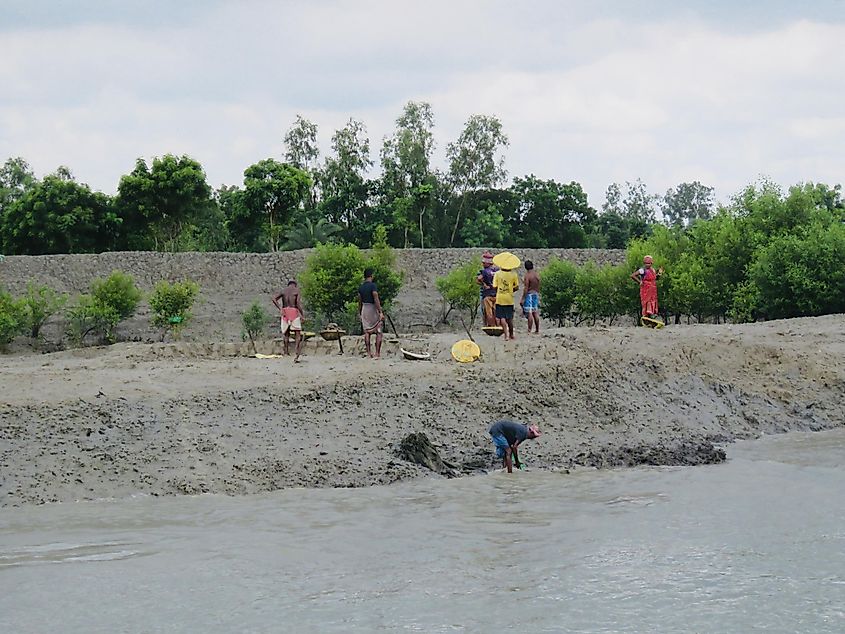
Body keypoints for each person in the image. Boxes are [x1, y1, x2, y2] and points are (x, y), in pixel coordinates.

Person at [272, 280, 305, 362]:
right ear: (295, 285)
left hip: (285, 311)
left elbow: (273, 298)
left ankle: (286, 352)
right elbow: (297, 303)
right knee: (297, 333)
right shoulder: (297, 291)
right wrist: (302, 314)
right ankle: (296, 351)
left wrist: (280, 308)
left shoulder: (284, 290)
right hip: (294, 311)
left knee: (286, 333)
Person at [358, 268, 384, 359]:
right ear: (371, 276)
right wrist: (380, 311)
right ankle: (377, 353)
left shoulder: (361, 287)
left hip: (365, 309)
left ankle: (369, 353)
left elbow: (360, 301)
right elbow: (375, 298)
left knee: (367, 332)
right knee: (379, 331)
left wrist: (360, 312)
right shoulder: (373, 286)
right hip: (372, 309)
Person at [492, 255, 520, 340]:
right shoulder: (514, 274)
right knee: (510, 318)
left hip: (500, 298)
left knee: (502, 317)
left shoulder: (497, 274)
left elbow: (494, 286)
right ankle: (512, 334)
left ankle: (506, 335)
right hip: (509, 299)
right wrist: (510, 290)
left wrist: (500, 291)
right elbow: (517, 287)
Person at [630, 255, 664, 320]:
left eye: (649, 263)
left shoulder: (653, 270)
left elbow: (655, 278)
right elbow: (633, 275)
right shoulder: (642, 270)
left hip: (653, 289)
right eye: (646, 263)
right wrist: (639, 282)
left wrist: (659, 274)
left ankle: (652, 315)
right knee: (646, 301)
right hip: (645, 289)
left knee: (653, 300)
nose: (647, 265)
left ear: (651, 263)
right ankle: (646, 316)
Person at [476, 251, 499, 327]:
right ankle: (497, 325)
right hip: (496, 293)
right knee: (496, 311)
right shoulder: (496, 270)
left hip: (487, 294)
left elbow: (478, 280)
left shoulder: (484, 272)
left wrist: (484, 284)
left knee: (488, 311)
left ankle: (490, 326)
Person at [520, 260, 541, 334]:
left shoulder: (527, 276)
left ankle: (529, 329)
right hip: (535, 294)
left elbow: (526, 288)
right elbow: (539, 285)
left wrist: (523, 298)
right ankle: (537, 329)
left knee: (530, 313)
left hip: (529, 295)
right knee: (535, 312)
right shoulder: (537, 275)